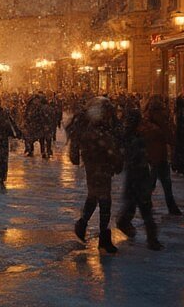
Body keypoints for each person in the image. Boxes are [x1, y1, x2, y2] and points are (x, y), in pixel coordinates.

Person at [68, 97, 123, 254]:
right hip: (99, 165)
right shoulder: (98, 127)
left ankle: (83, 224)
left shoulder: (92, 125)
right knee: (104, 200)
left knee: (94, 196)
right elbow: (107, 145)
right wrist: (116, 159)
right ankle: (103, 239)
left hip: (96, 165)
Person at [116, 109, 163, 250]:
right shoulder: (135, 138)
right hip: (139, 177)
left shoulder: (129, 136)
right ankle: (152, 239)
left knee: (133, 207)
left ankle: (126, 225)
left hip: (134, 177)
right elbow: (137, 157)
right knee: (145, 209)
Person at [141, 95, 181, 215]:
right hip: (157, 158)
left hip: (153, 158)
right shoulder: (156, 125)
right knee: (163, 183)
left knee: (156, 183)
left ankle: (148, 203)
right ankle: (170, 206)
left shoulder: (145, 122)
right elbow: (171, 138)